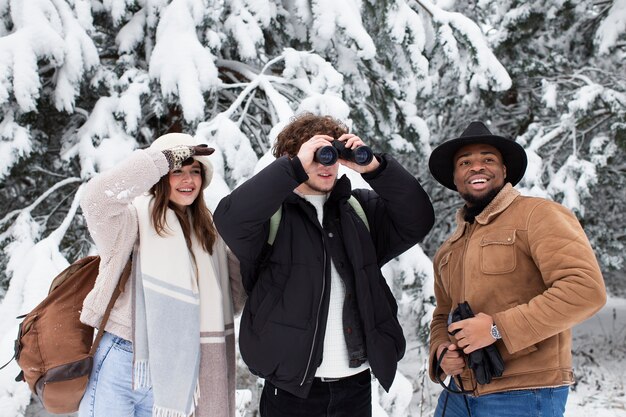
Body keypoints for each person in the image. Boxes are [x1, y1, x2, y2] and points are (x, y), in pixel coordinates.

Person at [213, 113, 435, 416]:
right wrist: (291, 169)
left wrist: (374, 168)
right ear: (294, 159)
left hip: (354, 389)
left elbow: (418, 218)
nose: (325, 164)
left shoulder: (359, 210)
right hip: (291, 392)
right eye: (314, 156)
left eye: (331, 156)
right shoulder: (270, 217)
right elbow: (230, 218)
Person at [427, 121, 607, 417]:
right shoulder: (449, 248)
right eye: (465, 162)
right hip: (459, 394)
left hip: (524, 392)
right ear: (455, 177)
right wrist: (441, 351)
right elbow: (442, 315)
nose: (476, 167)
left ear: (505, 171)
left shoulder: (538, 215)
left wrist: (498, 328)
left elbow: (585, 290)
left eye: (488, 159)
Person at [78, 133, 246, 417]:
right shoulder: (131, 220)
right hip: (125, 359)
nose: (188, 180)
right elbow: (95, 201)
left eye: (195, 171)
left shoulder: (210, 234)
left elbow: (232, 300)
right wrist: (161, 160)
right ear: (159, 176)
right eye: (177, 171)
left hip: (175, 374)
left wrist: (241, 251)